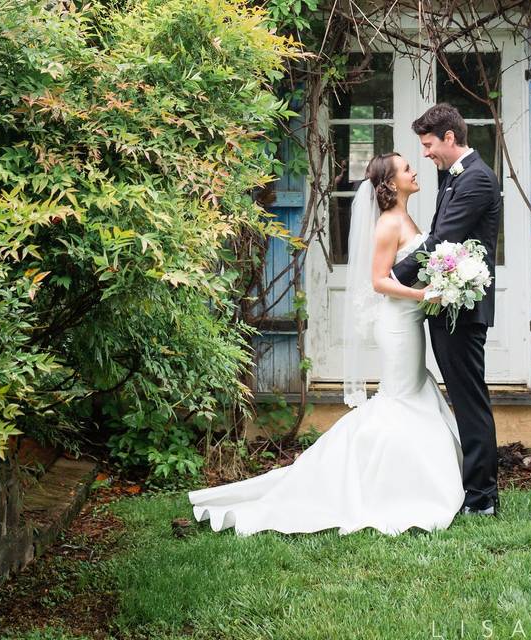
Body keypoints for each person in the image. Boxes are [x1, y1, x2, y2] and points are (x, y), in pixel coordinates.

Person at [187, 152, 465, 536]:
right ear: (390, 184)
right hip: (398, 324)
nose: (414, 170)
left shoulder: (405, 216)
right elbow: (379, 281)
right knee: (400, 398)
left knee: (413, 391)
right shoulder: (388, 223)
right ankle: (383, 486)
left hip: (410, 321)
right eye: (405, 169)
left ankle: (410, 481)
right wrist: (425, 296)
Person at [390, 104, 502, 516]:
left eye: (428, 145)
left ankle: (482, 498)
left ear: (450, 138)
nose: (426, 154)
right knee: (462, 397)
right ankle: (473, 491)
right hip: (445, 307)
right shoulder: (455, 176)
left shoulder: (476, 180)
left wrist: (393, 277)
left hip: (463, 310)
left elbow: (441, 240)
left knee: (470, 401)